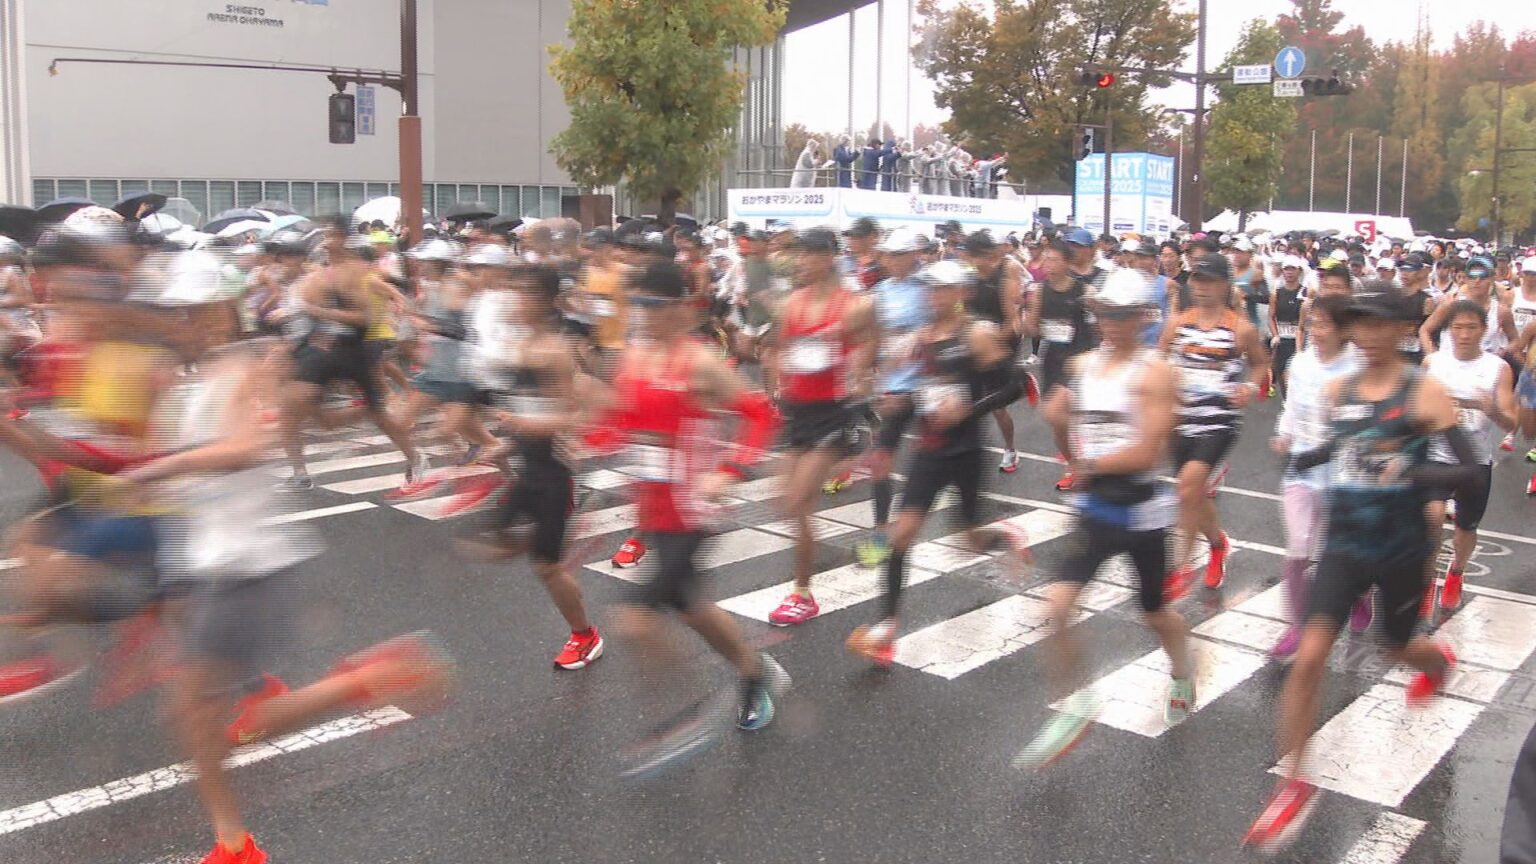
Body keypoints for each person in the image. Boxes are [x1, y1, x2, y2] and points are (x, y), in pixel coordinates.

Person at [113, 266, 456, 864]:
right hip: (209, 564)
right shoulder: (189, 380)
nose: (181, 323)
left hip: (248, 566)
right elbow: (187, 481)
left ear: (223, 311)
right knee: (207, 720)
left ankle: (370, 679)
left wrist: (163, 469)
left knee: (213, 723)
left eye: (193, 311)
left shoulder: (249, 369)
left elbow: (246, 448)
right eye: (175, 313)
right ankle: (233, 843)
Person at [1245, 285, 1469, 853]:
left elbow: (1473, 475)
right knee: (1310, 656)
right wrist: (1309, 456)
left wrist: (1411, 477)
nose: (1364, 335)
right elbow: (1343, 446)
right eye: (1356, 324)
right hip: (1343, 545)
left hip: (1400, 549)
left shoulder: (1424, 392)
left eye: (1376, 325)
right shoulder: (1340, 388)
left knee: (1396, 648)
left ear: (1398, 329)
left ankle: (1433, 660)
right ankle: (1295, 780)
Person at [584, 259, 787, 775]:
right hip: (653, 510)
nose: (642, 315)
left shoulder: (698, 363)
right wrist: (585, 436)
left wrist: (730, 470)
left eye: (652, 305)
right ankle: (755, 670)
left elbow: (761, 415)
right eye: (637, 305)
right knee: (692, 608)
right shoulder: (633, 356)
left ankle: (685, 718)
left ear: (679, 308)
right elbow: (621, 423)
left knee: (633, 620)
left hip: (693, 512)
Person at [1014, 268, 1195, 768]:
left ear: (1142, 318)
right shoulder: (1083, 365)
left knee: (1154, 611)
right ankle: (1076, 702)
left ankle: (1182, 672)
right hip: (1096, 506)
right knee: (1056, 605)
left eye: (1121, 316)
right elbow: (1075, 435)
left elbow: (1148, 450)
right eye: (1103, 315)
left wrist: (1087, 464)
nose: (1110, 325)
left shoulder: (1156, 371)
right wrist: (1061, 423)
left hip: (1141, 509)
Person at [845, 261, 1030, 664]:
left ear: (962, 292)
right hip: (929, 453)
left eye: (944, 289)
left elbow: (1016, 385)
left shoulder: (977, 335)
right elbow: (917, 395)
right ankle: (887, 628)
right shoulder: (918, 339)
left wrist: (969, 410)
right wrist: (890, 434)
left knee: (970, 543)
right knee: (903, 535)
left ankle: (1003, 538)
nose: (935, 296)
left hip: (965, 453)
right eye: (929, 289)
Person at [764, 228, 876, 626]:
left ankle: (802, 593)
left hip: (834, 412)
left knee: (797, 501)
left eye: (808, 255)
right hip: (798, 412)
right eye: (798, 255)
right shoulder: (792, 303)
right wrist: (780, 381)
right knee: (789, 506)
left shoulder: (854, 306)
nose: (799, 262)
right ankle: (818, 573)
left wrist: (860, 377)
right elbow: (781, 350)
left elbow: (870, 351)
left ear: (829, 257)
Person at [276, 223, 430, 496]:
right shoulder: (306, 278)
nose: (325, 243)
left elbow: (364, 318)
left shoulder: (355, 274)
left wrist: (316, 312)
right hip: (318, 350)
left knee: (375, 413)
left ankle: (415, 457)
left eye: (331, 236)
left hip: (352, 349)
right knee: (306, 416)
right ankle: (300, 473)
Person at [1160, 253, 1268, 596]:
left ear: (1225, 285)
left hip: (1218, 420)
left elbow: (1261, 365)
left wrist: (1248, 388)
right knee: (1193, 494)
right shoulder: (1178, 323)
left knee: (1189, 488)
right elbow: (1157, 360)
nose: (1202, 288)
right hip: (1180, 419)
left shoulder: (1240, 328)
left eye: (1210, 281)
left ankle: (1181, 566)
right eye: (1197, 280)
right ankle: (1218, 542)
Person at [1268, 295, 1362, 658]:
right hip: (1301, 469)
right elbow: (1291, 407)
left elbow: (1358, 428)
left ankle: (1358, 594)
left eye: (1326, 324)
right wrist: (1285, 435)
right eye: (1314, 323)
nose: (1318, 331)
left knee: (1340, 551)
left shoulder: (1357, 369)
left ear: (1343, 330)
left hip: (1343, 474)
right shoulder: (1301, 363)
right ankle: (1298, 624)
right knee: (1298, 547)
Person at [1421, 300, 1515, 613]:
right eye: (1457, 327)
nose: (1464, 334)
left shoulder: (1497, 369)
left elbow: (1512, 421)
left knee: (1466, 526)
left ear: (1483, 330)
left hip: (1475, 461)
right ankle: (1426, 579)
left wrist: (1490, 409)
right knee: (1430, 517)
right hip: (1435, 455)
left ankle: (1456, 573)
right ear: (1448, 330)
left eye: (1471, 327)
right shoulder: (1433, 363)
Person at [856, 228, 928, 569]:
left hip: (929, 389)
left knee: (934, 463)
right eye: (889, 255)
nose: (893, 261)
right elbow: (872, 339)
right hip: (894, 389)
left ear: (914, 254)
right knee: (880, 460)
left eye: (899, 255)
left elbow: (945, 331)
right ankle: (881, 529)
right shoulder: (879, 292)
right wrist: (873, 378)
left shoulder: (930, 287)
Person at [1023, 240, 1095, 491]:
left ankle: (1079, 465)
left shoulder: (1084, 292)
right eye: (1046, 260)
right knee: (1056, 419)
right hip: (1052, 357)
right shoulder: (1041, 291)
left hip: (1078, 358)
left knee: (1058, 411)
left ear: (1067, 262)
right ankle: (1076, 461)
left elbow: (1097, 328)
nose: (1048, 265)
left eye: (1053, 260)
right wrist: (1024, 312)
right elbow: (1032, 328)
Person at [961, 231, 1026, 472]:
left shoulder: (1006, 274)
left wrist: (993, 343)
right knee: (967, 397)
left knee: (997, 405)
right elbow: (965, 313)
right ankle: (966, 450)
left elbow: (1013, 321)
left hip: (1002, 343)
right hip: (978, 341)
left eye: (973, 256)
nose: (970, 261)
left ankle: (1010, 449)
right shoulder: (970, 278)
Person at [1268, 255, 1306, 399]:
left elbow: (1305, 322)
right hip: (1281, 341)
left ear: (1299, 271)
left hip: (1298, 340)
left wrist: (1301, 345)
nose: (1289, 272)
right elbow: (1270, 316)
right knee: (1281, 378)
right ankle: (1288, 405)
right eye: (1286, 269)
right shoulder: (1277, 293)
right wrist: (1275, 334)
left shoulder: (1305, 292)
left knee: (1291, 377)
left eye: (1292, 269)